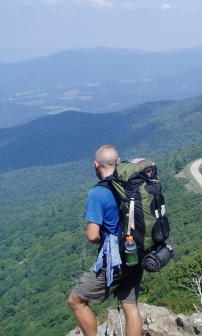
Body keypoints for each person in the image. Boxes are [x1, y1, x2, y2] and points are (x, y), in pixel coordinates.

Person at [68, 144, 143, 336]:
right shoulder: (132, 183)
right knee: (130, 305)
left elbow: (92, 236)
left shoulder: (98, 193)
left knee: (76, 300)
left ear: (96, 165)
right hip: (136, 252)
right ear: (118, 162)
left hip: (115, 259)